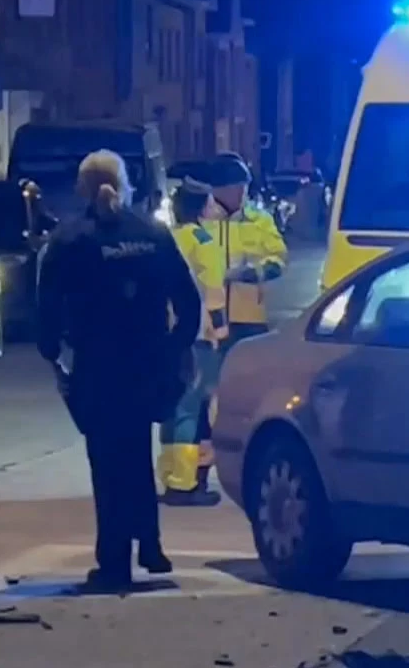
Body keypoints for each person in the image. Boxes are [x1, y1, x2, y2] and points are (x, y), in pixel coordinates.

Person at [35, 150, 201, 588]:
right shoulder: (153, 234)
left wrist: (51, 352)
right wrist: (176, 347)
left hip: (97, 366)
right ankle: (150, 544)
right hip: (147, 363)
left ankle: (114, 560)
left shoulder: (71, 241)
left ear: (81, 188)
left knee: (108, 463)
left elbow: (48, 307)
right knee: (136, 454)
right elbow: (188, 300)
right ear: (125, 184)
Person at [157, 173, 230, 507]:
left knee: (171, 406)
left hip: (164, 333)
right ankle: (186, 484)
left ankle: (171, 476)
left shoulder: (166, 238)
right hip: (198, 332)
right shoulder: (203, 242)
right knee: (191, 404)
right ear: (202, 207)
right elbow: (214, 292)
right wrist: (220, 330)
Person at [206, 153, 288, 348]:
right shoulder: (200, 222)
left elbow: (279, 257)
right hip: (207, 318)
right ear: (219, 190)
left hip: (249, 318)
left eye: (244, 188)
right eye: (237, 189)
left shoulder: (259, 220)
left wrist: (253, 272)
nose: (243, 194)